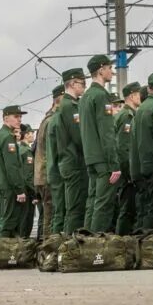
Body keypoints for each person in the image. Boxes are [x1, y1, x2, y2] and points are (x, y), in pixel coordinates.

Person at [80, 54, 121, 233]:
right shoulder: (101, 96)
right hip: (104, 160)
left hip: (91, 157)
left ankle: (85, 242)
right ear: (101, 69)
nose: (112, 71)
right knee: (103, 204)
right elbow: (107, 132)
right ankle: (96, 247)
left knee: (92, 202)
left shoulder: (86, 96)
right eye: (109, 68)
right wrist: (114, 164)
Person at [130, 73, 153, 231]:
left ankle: (143, 241)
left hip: (143, 164)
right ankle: (151, 243)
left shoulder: (142, 108)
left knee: (147, 206)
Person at [54, 68, 88, 234]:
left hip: (71, 162)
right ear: (73, 83)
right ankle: (70, 247)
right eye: (83, 83)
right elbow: (78, 136)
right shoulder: (69, 106)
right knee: (75, 209)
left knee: (74, 207)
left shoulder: (68, 105)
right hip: (74, 162)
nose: (85, 87)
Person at [0, 105, 29, 238]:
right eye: (16, 116)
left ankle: (4, 252)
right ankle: (3, 253)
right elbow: (11, 166)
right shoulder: (7, 137)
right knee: (9, 222)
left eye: (20, 117)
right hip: (9, 186)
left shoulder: (0, 135)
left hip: (3, 184)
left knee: (5, 220)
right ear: (6, 118)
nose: (19, 120)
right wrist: (19, 189)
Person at [114, 82, 142, 235]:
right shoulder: (126, 116)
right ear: (132, 96)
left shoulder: (130, 114)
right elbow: (123, 147)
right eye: (138, 94)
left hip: (128, 170)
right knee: (127, 209)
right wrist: (128, 172)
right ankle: (122, 241)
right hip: (127, 172)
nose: (141, 97)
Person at [37, 86, 64, 237]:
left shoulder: (47, 119)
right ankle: (48, 249)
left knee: (49, 214)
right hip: (49, 174)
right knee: (51, 214)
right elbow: (51, 151)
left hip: (45, 173)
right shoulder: (52, 120)